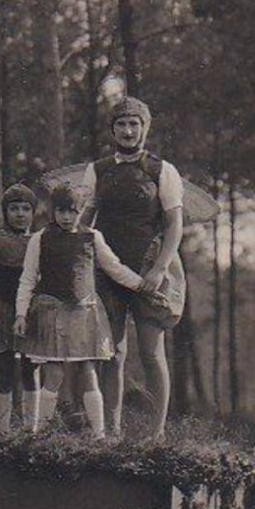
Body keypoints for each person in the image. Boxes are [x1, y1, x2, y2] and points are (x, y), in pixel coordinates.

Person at [80, 96, 185, 439]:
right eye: (121, 124)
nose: (127, 131)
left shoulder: (161, 170)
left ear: (144, 129)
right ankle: (112, 431)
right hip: (108, 267)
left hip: (149, 265)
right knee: (112, 351)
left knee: (152, 351)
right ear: (112, 130)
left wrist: (160, 269)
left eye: (134, 124)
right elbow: (84, 219)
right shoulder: (97, 170)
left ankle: (155, 435)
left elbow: (174, 225)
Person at [14, 185, 151, 437]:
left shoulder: (92, 237)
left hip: (83, 312)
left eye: (73, 212)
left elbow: (114, 267)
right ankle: (38, 433)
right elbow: (28, 278)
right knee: (53, 373)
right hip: (51, 311)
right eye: (61, 211)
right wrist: (21, 314)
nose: (67, 217)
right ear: (53, 211)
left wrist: (142, 285)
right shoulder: (40, 238)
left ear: (80, 212)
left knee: (88, 370)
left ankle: (99, 434)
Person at [0, 184, 40, 434]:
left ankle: (32, 427)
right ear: (5, 211)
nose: (20, 214)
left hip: (31, 310)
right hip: (1, 307)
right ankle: (1, 429)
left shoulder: (39, 240)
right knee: (4, 367)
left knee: (31, 367)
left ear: (33, 212)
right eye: (14, 209)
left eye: (25, 209)